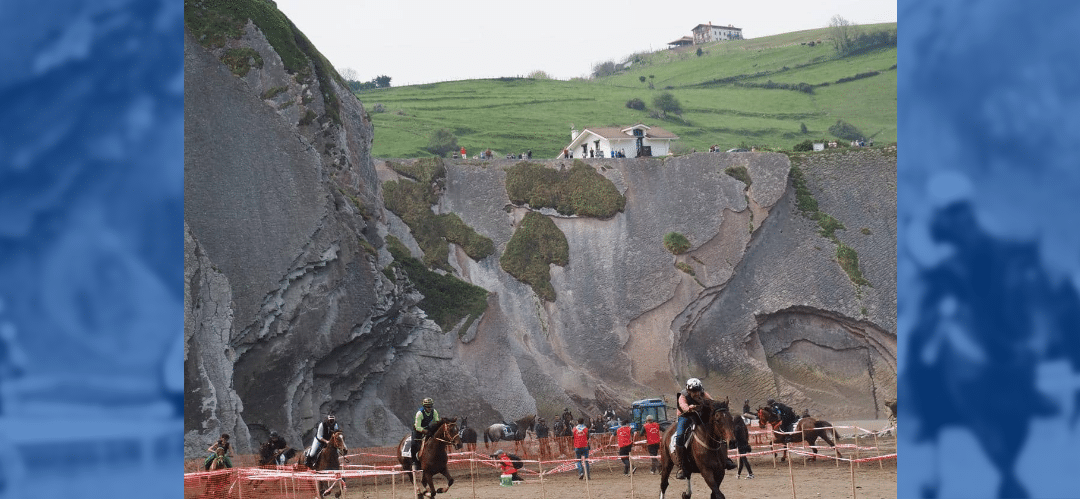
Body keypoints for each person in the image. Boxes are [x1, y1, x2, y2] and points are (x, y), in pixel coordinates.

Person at [674, 378, 735, 479]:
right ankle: (681, 466)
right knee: (680, 435)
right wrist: (689, 408)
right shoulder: (682, 396)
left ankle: (726, 459)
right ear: (688, 391)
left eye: (698, 390)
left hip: (699, 415)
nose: (696, 393)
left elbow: (712, 402)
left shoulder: (703, 394)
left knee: (717, 430)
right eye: (693, 391)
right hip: (685, 416)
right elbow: (683, 406)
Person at [411, 397, 439, 468]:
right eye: (427, 407)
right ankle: (414, 461)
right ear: (424, 406)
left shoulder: (434, 412)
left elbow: (437, 421)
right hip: (418, 430)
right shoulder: (419, 413)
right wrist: (425, 431)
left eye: (430, 406)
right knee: (414, 444)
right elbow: (417, 426)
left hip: (427, 428)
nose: (429, 408)